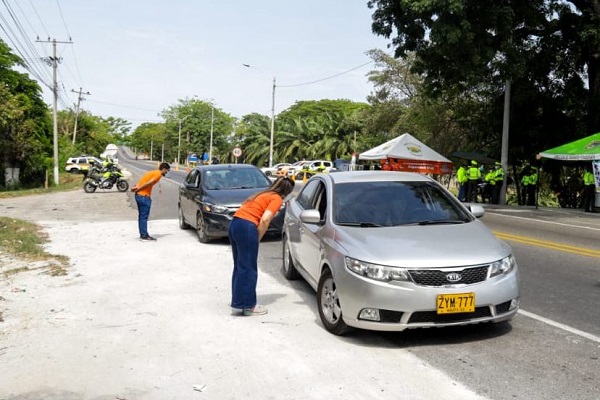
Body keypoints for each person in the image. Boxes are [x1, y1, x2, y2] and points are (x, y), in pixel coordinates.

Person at [229, 176, 295, 316]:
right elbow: (265, 220)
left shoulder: (262, 194)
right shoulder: (276, 198)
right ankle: (248, 305)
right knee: (249, 268)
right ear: (288, 191)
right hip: (247, 227)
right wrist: (258, 237)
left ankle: (238, 302)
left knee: (240, 266)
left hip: (235, 223)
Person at [130, 162, 170, 241]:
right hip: (143, 196)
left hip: (140, 195)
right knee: (144, 217)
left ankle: (143, 234)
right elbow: (148, 183)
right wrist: (138, 189)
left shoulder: (153, 172)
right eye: (167, 171)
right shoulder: (158, 174)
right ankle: (144, 235)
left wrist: (137, 187)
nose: (167, 172)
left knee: (142, 217)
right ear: (164, 169)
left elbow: (144, 181)